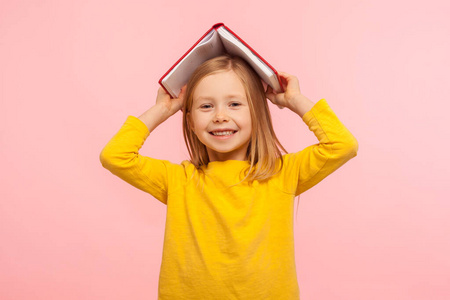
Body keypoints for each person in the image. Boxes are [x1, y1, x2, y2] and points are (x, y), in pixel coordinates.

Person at [100, 54, 358, 299]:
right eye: (206, 106)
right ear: (190, 121)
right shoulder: (179, 180)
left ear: (257, 113)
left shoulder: (283, 174)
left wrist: (295, 100)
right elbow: (115, 155)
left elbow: (342, 145)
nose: (220, 116)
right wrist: (163, 109)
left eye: (234, 104)